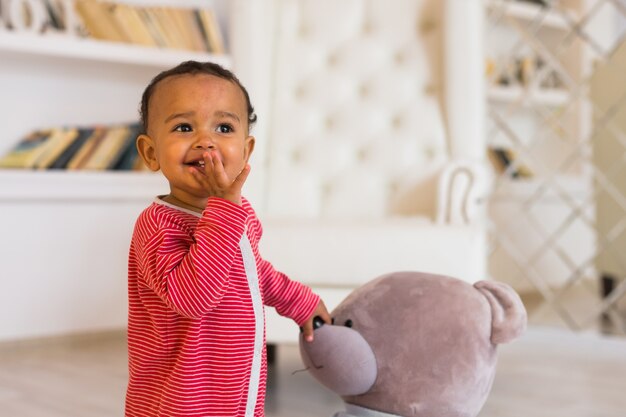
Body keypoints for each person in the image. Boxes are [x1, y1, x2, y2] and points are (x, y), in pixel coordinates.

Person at [125, 60, 331, 417]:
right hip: (182, 399)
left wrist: (299, 300)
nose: (206, 141)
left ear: (246, 150)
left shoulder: (238, 212)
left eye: (223, 127)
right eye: (184, 127)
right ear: (151, 152)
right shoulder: (158, 226)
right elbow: (193, 298)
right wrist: (224, 209)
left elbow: (251, 273)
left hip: (235, 388)